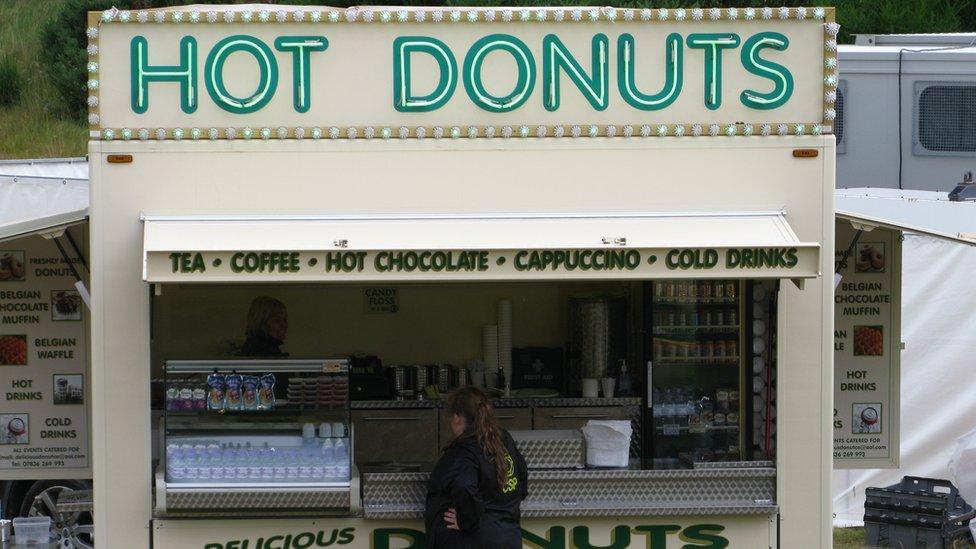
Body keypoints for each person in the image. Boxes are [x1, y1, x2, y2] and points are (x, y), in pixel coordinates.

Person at [425, 387, 528, 549]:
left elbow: (464, 485)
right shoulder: (503, 438)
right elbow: (521, 475)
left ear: (457, 417)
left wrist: (467, 522)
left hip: (476, 540)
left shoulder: (463, 450)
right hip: (508, 536)